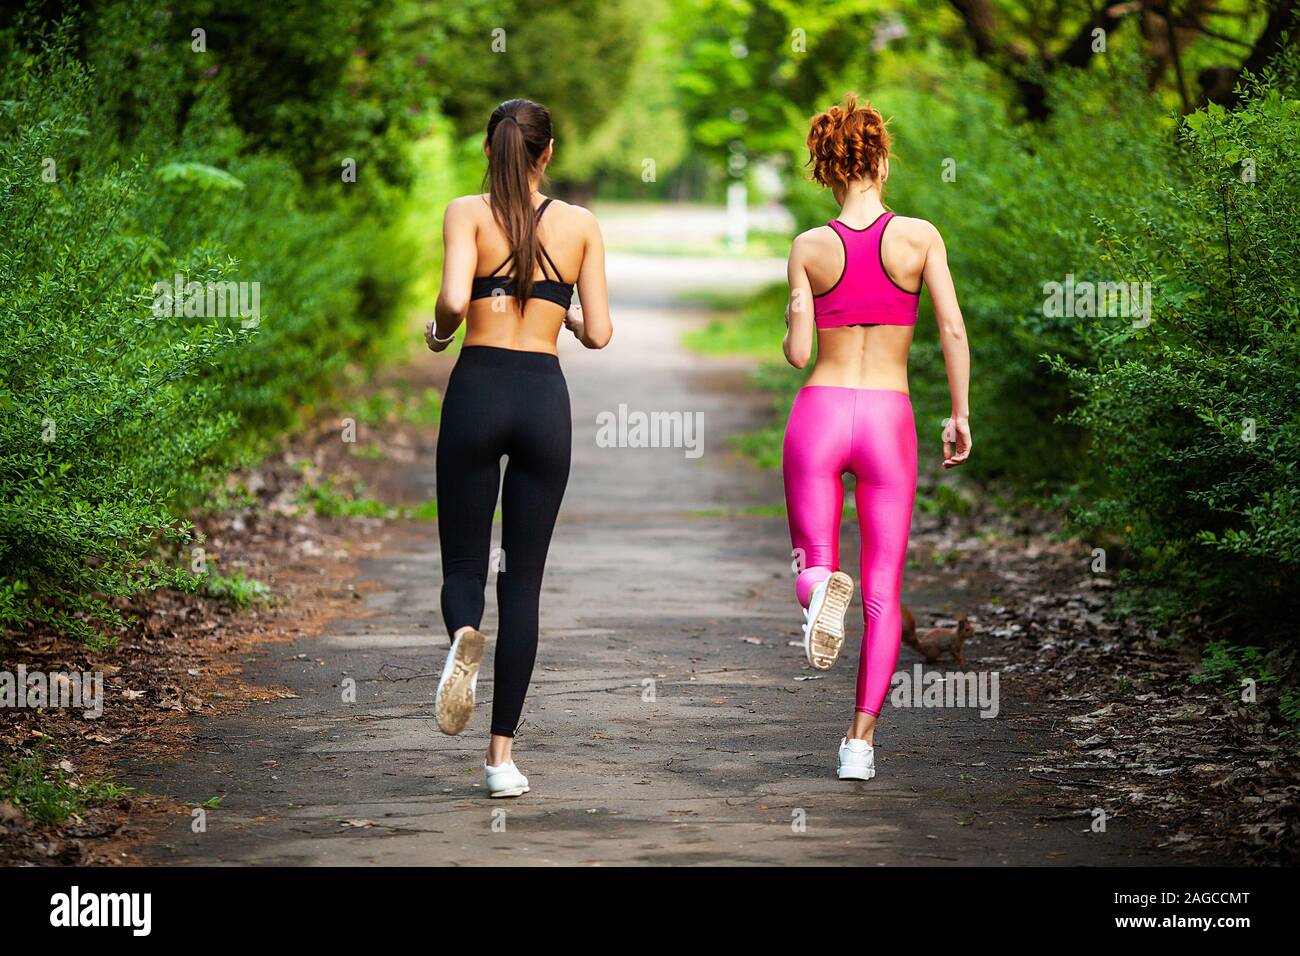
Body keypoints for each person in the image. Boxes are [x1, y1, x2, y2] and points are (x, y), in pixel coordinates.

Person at [424, 98, 612, 798]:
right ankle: (501, 761)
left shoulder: (464, 213)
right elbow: (599, 333)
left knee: (465, 561)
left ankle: (463, 636)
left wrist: (441, 331)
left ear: (488, 151)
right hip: (542, 402)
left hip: (477, 390)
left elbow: (449, 300)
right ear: (548, 153)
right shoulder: (581, 225)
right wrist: (558, 312)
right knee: (524, 582)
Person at [781, 93, 971, 782]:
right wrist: (959, 412)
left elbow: (798, 354)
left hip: (821, 415)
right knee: (883, 587)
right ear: (881, 162)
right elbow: (951, 328)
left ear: (825, 169)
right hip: (889, 419)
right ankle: (859, 745)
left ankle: (817, 590)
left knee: (813, 560)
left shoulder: (809, 247)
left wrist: (796, 309)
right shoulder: (920, 237)